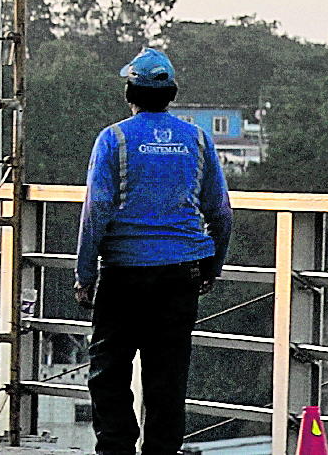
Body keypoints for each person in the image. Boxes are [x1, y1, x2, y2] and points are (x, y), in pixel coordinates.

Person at [72, 48, 232, 455]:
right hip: (182, 272)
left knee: (109, 371)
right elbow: (219, 210)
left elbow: (97, 209)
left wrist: (85, 273)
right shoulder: (197, 138)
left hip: (124, 273)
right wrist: (213, 263)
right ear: (172, 93)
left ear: (130, 91)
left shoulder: (115, 139)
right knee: (168, 374)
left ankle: (116, 448)